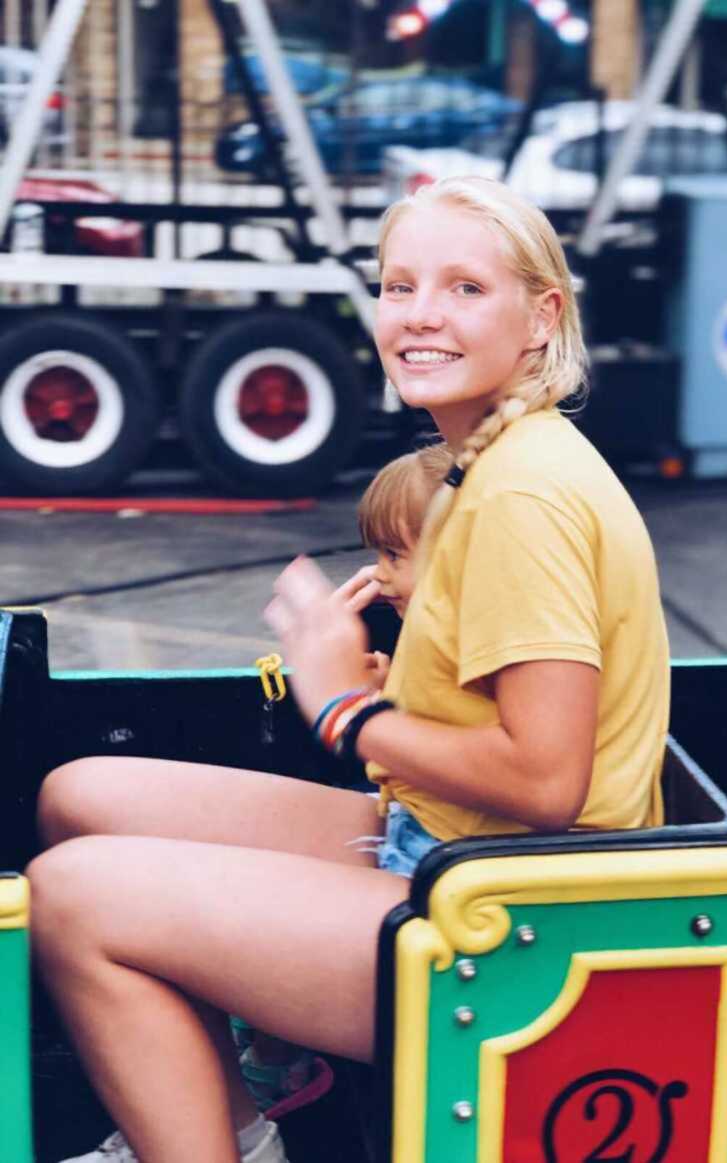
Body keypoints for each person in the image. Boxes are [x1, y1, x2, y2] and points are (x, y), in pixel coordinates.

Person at [27, 176, 670, 1163]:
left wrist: (344, 706)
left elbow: (547, 781)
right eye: (399, 284)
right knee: (82, 795)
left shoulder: (523, 496)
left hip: (522, 914)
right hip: (445, 845)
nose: (419, 315)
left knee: (74, 894)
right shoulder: (491, 462)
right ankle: (220, 1118)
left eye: (463, 289)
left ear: (542, 317)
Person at [232, 441, 453, 1117]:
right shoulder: (426, 627)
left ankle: (277, 1068)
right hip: (407, 833)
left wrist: (351, 700)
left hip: (424, 859)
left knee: (262, 939)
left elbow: (436, 741)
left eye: (393, 556)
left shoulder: (464, 638)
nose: (377, 572)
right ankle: (269, 1053)